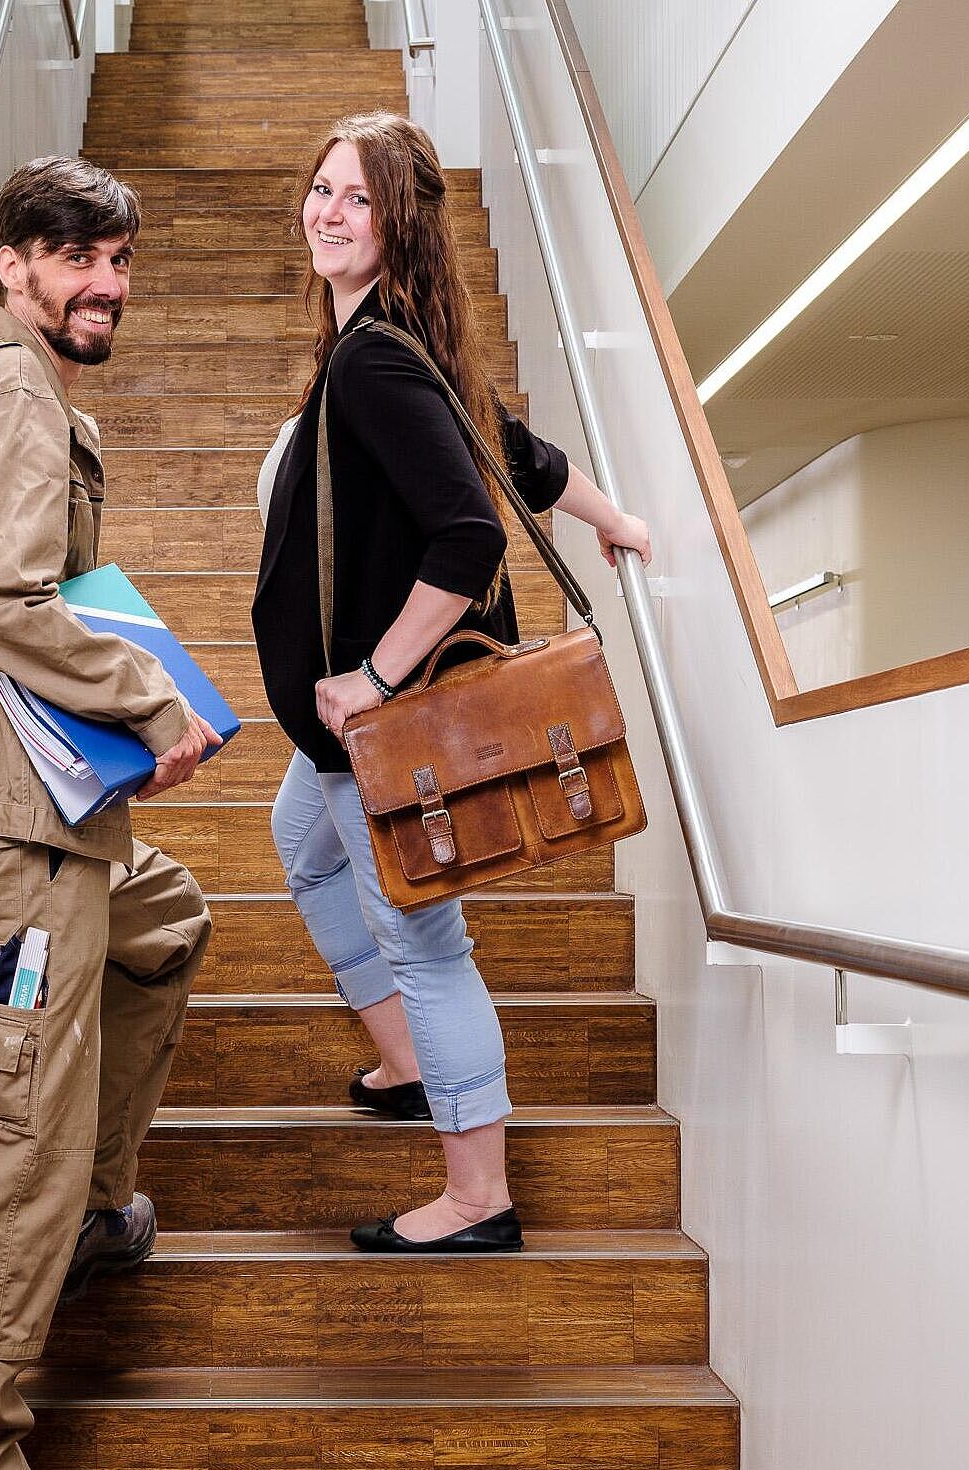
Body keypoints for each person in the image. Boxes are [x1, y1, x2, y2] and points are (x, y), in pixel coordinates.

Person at [0, 156, 221, 1470]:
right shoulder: (16, 386)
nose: (108, 284)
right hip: (26, 825)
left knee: (173, 918)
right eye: (77, 257)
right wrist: (154, 703)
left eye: (119, 260)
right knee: (9, 1128)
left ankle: (91, 1206)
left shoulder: (3, 378)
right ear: (17, 262)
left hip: (65, 816)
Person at [252, 112, 652, 1255]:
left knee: (427, 943)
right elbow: (509, 448)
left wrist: (370, 678)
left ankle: (479, 1195)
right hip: (337, 738)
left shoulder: (376, 355)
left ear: (399, 223)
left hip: (377, 728)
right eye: (320, 189)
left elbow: (470, 532)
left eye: (356, 199)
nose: (327, 212)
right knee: (302, 847)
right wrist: (613, 518)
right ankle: (407, 1058)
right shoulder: (387, 340)